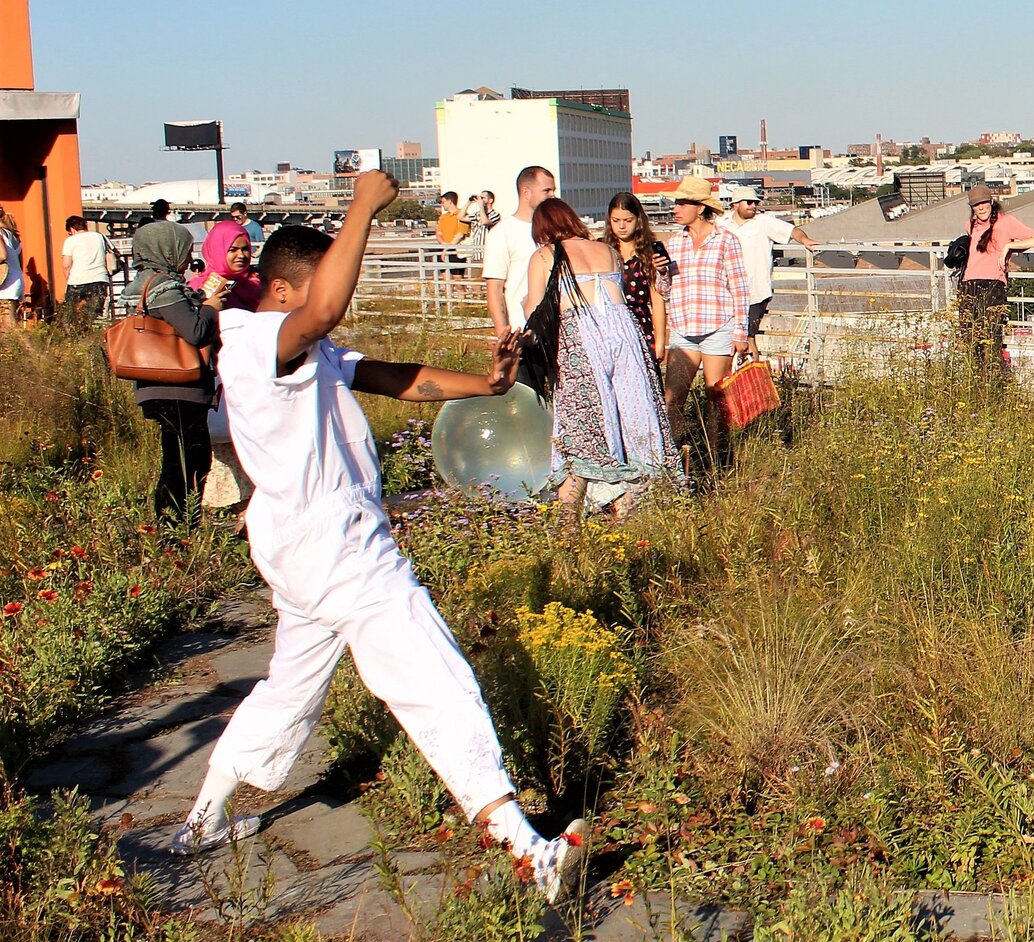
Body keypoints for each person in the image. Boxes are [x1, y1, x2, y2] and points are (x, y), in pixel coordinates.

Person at [172, 172, 587, 903]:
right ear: (281, 294)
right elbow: (325, 308)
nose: (330, 312)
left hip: (305, 546)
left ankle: (203, 818)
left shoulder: (303, 349)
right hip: (336, 548)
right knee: (434, 678)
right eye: (315, 294)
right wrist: (362, 205)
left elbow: (396, 377)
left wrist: (485, 388)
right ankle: (525, 845)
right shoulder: (254, 345)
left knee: (288, 687)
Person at [523, 198, 679, 514]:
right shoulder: (608, 252)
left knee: (580, 433)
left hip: (579, 340)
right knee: (633, 422)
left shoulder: (544, 256)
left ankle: (568, 526)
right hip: (626, 337)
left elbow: (534, 312)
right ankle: (627, 515)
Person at [129, 219, 222, 522]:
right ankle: (175, 528)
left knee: (178, 458)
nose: (186, 256)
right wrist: (210, 306)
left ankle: (173, 526)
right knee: (189, 461)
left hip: (155, 383)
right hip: (179, 386)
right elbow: (195, 332)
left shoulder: (139, 285)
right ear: (168, 250)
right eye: (183, 248)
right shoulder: (165, 288)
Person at [660, 177, 752, 455]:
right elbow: (664, 290)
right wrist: (661, 272)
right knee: (671, 400)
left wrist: (740, 332)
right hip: (682, 328)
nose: (675, 209)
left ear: (700, 208)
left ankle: (718, 458)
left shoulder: (726, 241)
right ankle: (680, 453)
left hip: (717, 327)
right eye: (676, 203)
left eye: (682, 203)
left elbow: (739, 287)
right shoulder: (673, 244)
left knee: (715, 396)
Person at [957, 186, 1034, 374]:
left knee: (993, 337)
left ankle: (1001, 384)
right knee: (971, 340)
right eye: (976, 205)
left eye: (983, 203)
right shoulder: (970, 225)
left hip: (993, 283)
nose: (980, 208)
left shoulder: (1006, 222)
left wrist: (1008, 247)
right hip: (968, 284)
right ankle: (978, 382)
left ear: (991, 202)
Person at [484, 166, 556, 386]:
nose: (553, 196)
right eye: (547, 191)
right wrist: (504, 335)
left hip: (556, 334)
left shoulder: (554, 230)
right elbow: (494, 288)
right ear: (526, 192)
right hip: (522, 336)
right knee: (528, 402)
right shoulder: (502, 233)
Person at [727, 188, 817, 341]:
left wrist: (804, 240)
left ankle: (754, 364)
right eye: (749, 202)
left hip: (754, 292)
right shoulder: (721, 223)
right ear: (735, 205)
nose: (753, 206)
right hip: (727, 293)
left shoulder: (764, 222)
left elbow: (792, 231)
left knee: (748, 340)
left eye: (756, 202)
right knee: (727, 339)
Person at [604, 192, 674, 365]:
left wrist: (660, 342)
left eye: (627, 221)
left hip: (640, 327)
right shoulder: (601, 250)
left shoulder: (649, 253)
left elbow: (657, 300)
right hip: (609, 329)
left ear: (638, 220)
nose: (621, 226)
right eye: (615, 220)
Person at [193, 220, 265, 313]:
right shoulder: (198, 288)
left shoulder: (261, 284)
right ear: (217, 250)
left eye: (245, 249)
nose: (241, 255)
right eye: (233, 250)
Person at [61, 215, 117, 327]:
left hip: (77, 281)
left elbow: (66, 265)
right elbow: (115, 252)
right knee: (94, 317)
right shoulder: (100, 236)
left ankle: (74, 339)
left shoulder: (70, 240)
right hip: (99, 280)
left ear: (72, 229)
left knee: (70, 317)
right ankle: (92, 339)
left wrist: (69, 280)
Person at [0, 211, 22, 330]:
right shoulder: (11, 234)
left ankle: (33, 349)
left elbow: (2, 255)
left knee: (10, 324)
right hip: (14, 279)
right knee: (5, 326)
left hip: (7, 282)